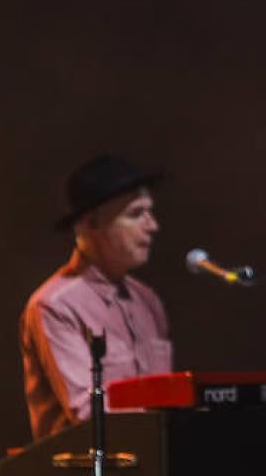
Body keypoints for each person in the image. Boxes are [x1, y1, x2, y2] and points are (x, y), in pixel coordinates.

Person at [19, 154, 173, 441]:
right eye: (137, 214)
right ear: (91, 224)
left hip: (153, 471)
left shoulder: (148, 301)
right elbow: (89, 414)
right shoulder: (55, 305)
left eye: (150, 212)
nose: (153, 226)